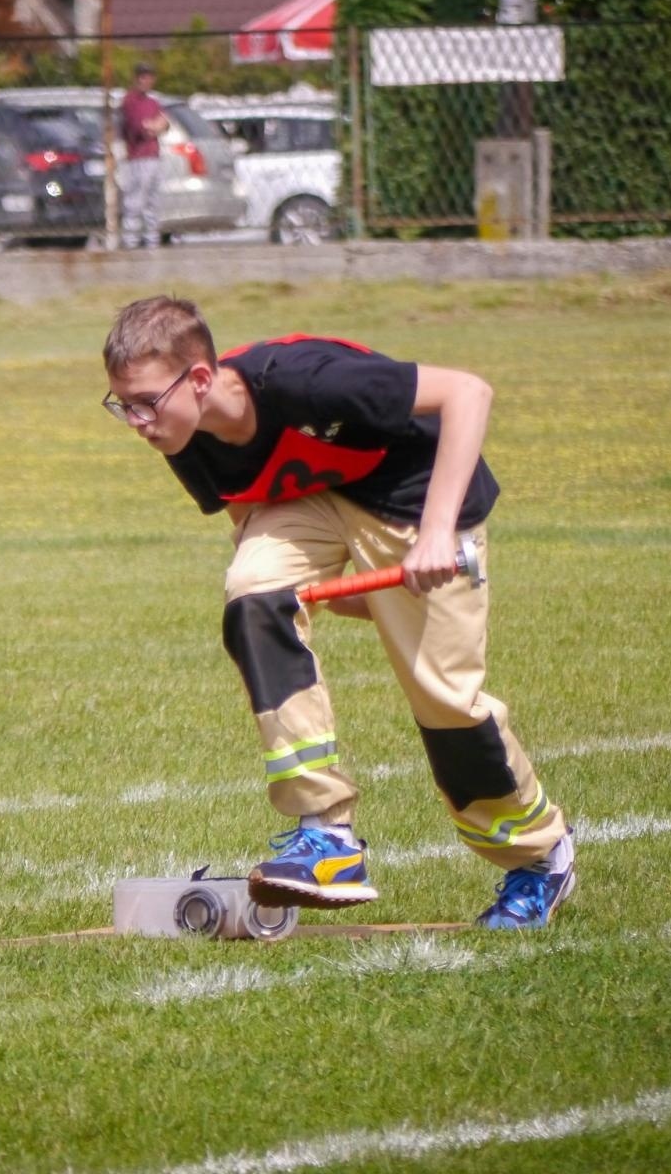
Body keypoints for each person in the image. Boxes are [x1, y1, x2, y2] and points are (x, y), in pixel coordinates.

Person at [100, 296, 576, 929]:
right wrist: (294, 594)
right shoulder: (182, 432)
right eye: (122, 405)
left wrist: (437, 534)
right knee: (250, 591)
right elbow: (252, 515)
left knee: (445, 703)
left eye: (145, 402)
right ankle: (326, 833)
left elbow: (469, 392)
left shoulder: (308, 381)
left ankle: (541, 856)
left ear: (202, 379)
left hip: (414, 499)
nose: (136, 421)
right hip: (317, 500)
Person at [118, 62, 169, 251]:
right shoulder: (130, 100)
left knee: (152, 203)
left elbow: (165, 123)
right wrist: (155, 126)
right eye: (141, 76)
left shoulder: (153, 102)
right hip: (138, 157)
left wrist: (156, 125)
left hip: (153, 156)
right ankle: (130, 242)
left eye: (148, 77)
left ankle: (151, 241)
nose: (144, 80)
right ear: (136, 78)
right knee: (134, 202)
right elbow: (142, 129)